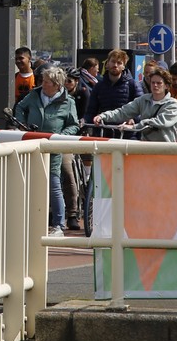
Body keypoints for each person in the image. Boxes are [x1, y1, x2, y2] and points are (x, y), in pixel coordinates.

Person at [14, 65, 81, 236]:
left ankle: (59, 224)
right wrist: (22, 125)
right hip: (31, 145)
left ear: (57, 85)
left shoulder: (68, 102)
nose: (42, 84)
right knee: (28, 184)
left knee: (54, 185)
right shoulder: (34, 95)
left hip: (53, 149)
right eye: (42, 81)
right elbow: (20, 107)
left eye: (46, 82)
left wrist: (60, 137)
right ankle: (27, 222)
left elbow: (74, 125)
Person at [93, 68, 177, 143]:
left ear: (166, 86)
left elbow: (160, 122)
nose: (155, 85)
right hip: (145, 148)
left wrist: (134, 127)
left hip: (166, 149)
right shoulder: (143, 100)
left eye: (159, 83)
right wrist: (103, 116)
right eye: (153, 82)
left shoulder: (173, 104)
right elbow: (123, 112)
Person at [60, 68, 92, 231]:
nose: (66, 84)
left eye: (70, 81)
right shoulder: (60, 94)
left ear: (77, 82)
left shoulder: (84, 93)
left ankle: (73, 212)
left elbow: (86, 113)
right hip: (63, 134)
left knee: (71, 172)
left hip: (79, 130)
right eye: (65, 80)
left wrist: (82, 124)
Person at [85, 49, 142, 128]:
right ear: (107, 64)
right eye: (113, 61)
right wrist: (84, 120)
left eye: (119, 63)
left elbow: (141, 109)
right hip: (103, 131)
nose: (115, 65)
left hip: (126, 132)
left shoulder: (133, 85)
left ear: (123, 66)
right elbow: (91, 111)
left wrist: (134, 119)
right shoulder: (98, 86)